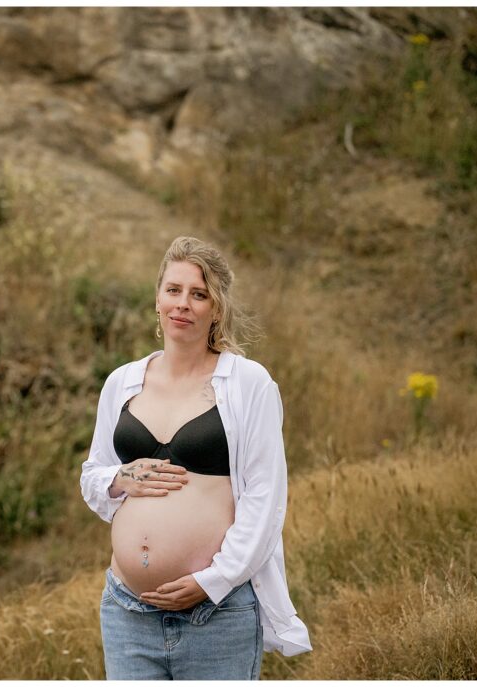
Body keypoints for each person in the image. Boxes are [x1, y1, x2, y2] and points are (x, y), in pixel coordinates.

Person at [80, 236, 311, 680]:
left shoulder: (248, 384)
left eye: (198, 294)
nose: (183, 304)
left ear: (216, 308)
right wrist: (119, 478)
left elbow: (266, 499)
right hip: (128, 612)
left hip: (217, 617)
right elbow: (93, 475)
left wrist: (213, 581)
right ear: (157, 299)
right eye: (173, 290)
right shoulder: (122, 382)